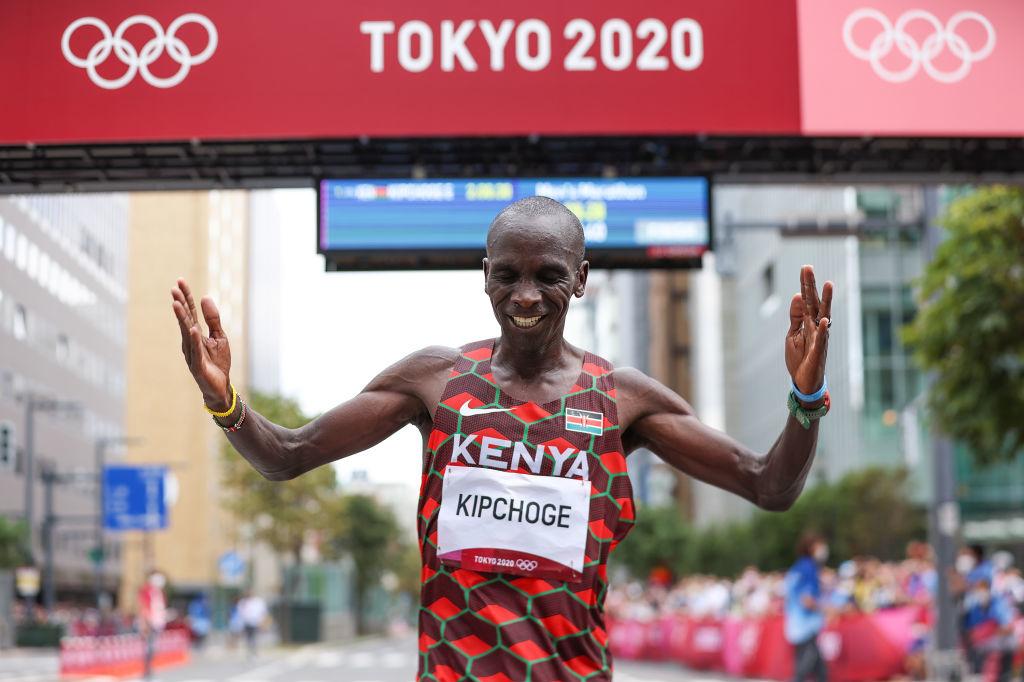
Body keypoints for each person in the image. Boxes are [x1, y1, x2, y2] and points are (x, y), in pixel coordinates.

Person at [171, 196, 835, 680]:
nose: (525, 294)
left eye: (548, 275)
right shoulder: (436, 380)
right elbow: (288, 456)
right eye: (507, 274)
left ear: (580, 278)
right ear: (483, 272)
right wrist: (223, 399)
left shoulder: (619, 397)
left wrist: (805, 400)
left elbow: (766, 484)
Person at [784, 533, 829, 682]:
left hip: (795, 624)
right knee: (806, 666)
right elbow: (807, 600)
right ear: (811, 548)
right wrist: (827, 609)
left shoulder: (796, 567)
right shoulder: (809, 568)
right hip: (807, 625)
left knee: (818, 666)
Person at [137, 570, 167, 681]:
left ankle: (149, 669)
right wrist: (145, 622)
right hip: (149, 622)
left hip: (157, 622)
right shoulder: (146, 590)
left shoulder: (159, 592)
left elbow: (160, 608)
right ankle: (146, 670)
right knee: (148, 647)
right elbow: (144, 606)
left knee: (153, 647)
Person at [237, 591, 267, 659]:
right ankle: (249, 652)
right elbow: (241, 612)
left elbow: (262, 612)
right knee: (248, 638)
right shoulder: (243, 602)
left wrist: (262, 622)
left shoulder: (257, 602)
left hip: (255, 622)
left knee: (254, 638)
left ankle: (254, 652)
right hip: (246, 622)